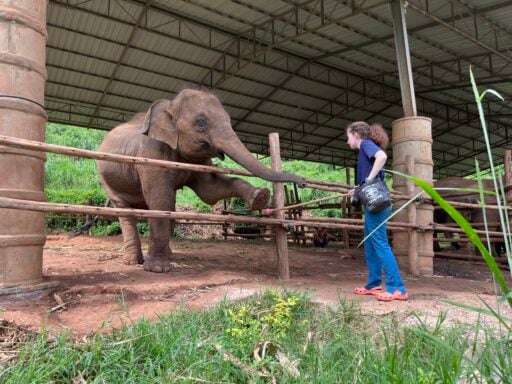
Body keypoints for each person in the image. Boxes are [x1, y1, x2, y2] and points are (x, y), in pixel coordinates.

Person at [346, 121, 408, 301]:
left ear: (356, 135)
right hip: (373, 204)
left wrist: (367, 181)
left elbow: (382, 157)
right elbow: (370, 176)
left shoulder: (366, 144)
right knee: (371, 242)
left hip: (377, 205)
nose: (347, 141)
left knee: (380, 243)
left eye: (348, 136)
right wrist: (359, 187)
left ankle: (397, 288)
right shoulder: (365, 150)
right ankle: (374, 283)